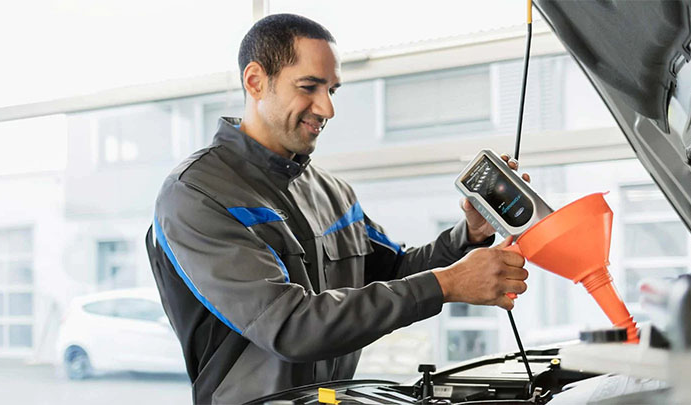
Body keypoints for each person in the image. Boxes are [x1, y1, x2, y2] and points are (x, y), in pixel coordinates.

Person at [145, 13, 528, 404]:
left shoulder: (332, 192)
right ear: (256, 81)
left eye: (332, 90)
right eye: (309, 87)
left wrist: (471, 233)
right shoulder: (196, 194)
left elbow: (396, 270)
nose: (327, 109)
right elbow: (290, 326)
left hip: (331, 399)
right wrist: (447, 284)